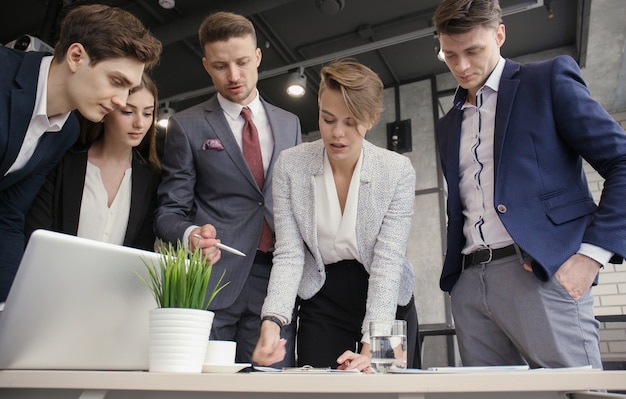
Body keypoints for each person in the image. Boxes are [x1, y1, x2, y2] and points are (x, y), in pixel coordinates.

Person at [433, 0, 626, 368]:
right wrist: (459, 283)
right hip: (469, 282)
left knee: (577, 393)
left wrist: (591, 257)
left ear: (499, 34)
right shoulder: (447, 124)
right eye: (450, 55)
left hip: (540, 272)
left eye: (473, 51)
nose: (461, 66)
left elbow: (622, 161)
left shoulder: (547, 80)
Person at [154, 11, 301, 366]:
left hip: (276, 285)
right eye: (221, 66)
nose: (233, 76)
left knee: (270, 386)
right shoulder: (186, 125)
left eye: (242, 62)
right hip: (214, 280)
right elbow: (168, 211)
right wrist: (191, 234)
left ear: (259, 58)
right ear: (206, 65)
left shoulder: (289, 123)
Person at [252, 59, 418, 372]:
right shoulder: (291, 166)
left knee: (386, 385)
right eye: (328, 119)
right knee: (322, 388)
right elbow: (288, 254)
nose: (337, 133)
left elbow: (387, 262)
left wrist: (373, 347)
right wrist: (271, 323)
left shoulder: (396, 172)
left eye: (351, 122)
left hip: (387, 296)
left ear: (371, 119)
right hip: (322, 291)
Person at [0, 4, 162, 302]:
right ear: (76, 56)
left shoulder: (66, 131)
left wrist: (8, 306)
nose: (119, 100)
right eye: (117, 82)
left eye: (128, 89)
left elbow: (8, 216)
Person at [24, 73, 161, 251]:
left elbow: (142, 249)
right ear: (106, 111)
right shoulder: (63, 162)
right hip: (53, 273)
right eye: (128, 112)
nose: (140, 123)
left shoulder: (151, 179)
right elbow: (36, 231)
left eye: (148, 113)